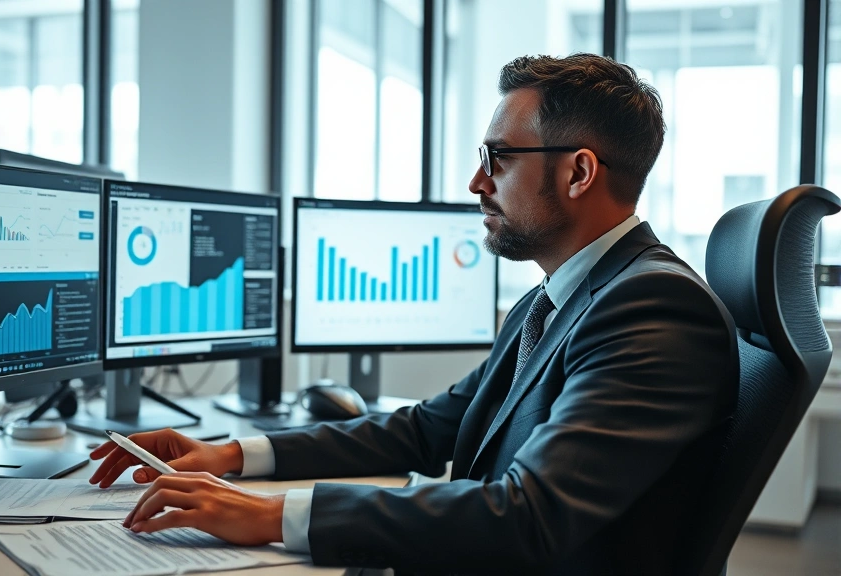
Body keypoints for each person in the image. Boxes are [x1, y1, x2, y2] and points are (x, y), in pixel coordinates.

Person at [89, 53, 739, 575]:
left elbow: (528, 514)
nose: (476, 183)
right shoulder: (559, 297)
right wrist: (230, 455)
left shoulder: (652, 309)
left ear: (578, 173)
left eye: (497, 158)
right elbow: (430, 429)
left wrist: (271, 515)